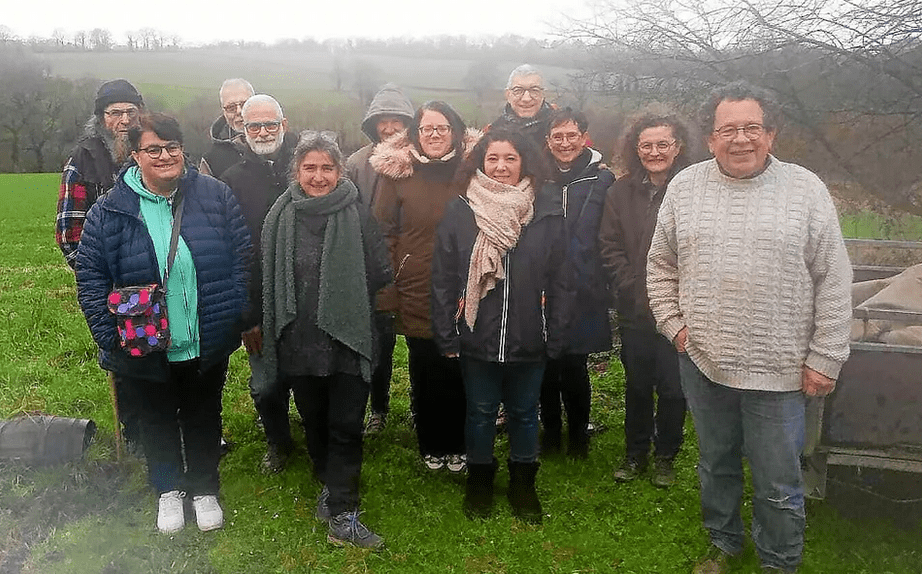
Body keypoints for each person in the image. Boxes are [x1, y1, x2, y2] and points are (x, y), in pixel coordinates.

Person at [646, 82, 852, 574]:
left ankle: (779, 562)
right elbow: (661, 265)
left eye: (751, 128)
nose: (741, 139)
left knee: (778, 480)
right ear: (711, 138)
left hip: (779, 371)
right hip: (704, 362)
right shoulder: (685, 186)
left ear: (771, 135)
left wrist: (826, 355)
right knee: (715, 463)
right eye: (728, 130)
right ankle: (724, 544)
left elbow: (834, 276)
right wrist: (674, 325)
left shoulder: (806, 189)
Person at [76, 113, 251, 534]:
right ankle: (168, 491)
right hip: (140, 342)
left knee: (204, 412)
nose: (165, 156)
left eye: (172, 146)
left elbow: (242, 257)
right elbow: (90, 274)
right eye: (153, 149)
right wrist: (108, 335)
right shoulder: (110, 209)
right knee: (155, 417)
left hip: (203, 334)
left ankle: (204, 487)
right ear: (135, 155)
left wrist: (235, 316)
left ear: (183, 150)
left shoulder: (214, 196)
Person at [259, 131, 391, 549]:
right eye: (310, 167)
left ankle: (344, 514)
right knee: (315, 423)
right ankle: (330, 485)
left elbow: (381, 270)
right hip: (298, 341)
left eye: (327, 168)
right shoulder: (279, 217)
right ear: (296, 171)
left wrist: (344, 298)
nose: (318, 176)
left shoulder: (358, 213)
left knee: (346, 425)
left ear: (340, 171)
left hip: (349, 338)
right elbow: (265, 275)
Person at [431, 129, 568, 523]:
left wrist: (555, 330)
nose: (501, 166)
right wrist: (446, 330)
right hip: (477, 334)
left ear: (524, 162)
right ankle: (480, 484)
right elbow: (443, 275)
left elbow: (561, 277)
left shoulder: (544, 209)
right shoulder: (461, 209)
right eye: (493, 158)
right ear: (480, 162)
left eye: (510, 158)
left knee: (526, 413)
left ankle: (524, 485)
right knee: (480, 412)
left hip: (530, 335)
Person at [369, 101, 473, 472]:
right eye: (426, 129)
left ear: (456, 133)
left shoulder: (472, 170)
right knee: (426, 365)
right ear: (415, 134)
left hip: (466, 284)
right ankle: (431, 441)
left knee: (461, 365)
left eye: (441, 128)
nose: (434, 135)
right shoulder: (397, 175)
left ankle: (459, 441)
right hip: (416, 284)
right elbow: (383, 232)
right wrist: (387, 288)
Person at [598, 112, 692, 488]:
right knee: (637, 385)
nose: (654, 152)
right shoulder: (619, 192)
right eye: (646, 145)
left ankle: (666, 455)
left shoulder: (691, 189)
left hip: (682, 309)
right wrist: (631, 288)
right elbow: (608, 245)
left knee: (673, 387)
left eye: (662, 144)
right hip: (636, 307)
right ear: (635, 149)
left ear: (678, 147)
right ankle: (635, 453)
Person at [56, 79, 145, 450]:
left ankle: (181, 428)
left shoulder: (155, 150)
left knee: (170, 355)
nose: (123, 120)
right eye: (115, 113)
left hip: (161, 277)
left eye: (130, 112)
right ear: (101, 119)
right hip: (113, 287)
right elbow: (68, 231)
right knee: (124, 359)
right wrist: (99, 281)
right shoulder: (84, 161)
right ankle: (137, 436)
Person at [219, 94, 299, 473]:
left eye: (270, 124)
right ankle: (278, 442)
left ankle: (320, 438)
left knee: (311, 375)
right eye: (254, 126)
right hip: (259, 300)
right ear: (243, 129)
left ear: (284, 124)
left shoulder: (307, 167)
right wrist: (246, 316)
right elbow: (232, 251)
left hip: (307, 295)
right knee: (267, 384)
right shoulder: (232, 180)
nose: (263, 132)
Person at [539, 108, 614, 459]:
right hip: (544, 283)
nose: (565, 143)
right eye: (558, 137)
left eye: (572, 135)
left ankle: (579, 435)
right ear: (548, 141)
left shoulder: (602, 178)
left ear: (584, 137)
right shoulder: (537, 176)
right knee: (544, 363)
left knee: (574, 363)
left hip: (584, 281)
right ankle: (551, 433)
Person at [345, 83, 414, 434]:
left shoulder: (422, 157)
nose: (389, 128)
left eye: (396, 120)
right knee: (379, 342)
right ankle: (379, 408)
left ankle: (421, 405)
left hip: (418, 261)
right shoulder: (357, 163)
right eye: (382, 121)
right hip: (373, 262)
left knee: (422, 341)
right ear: (372, 125)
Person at [489, 65, 554, 151]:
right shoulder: (493, 132)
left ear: (544, 94)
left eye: (534, 90)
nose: (526, 98)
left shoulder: (560, 129)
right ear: (508, 95)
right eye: (518, 90)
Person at [199, 78, 254, 178]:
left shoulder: (281, 142)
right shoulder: (211, 159)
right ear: (224, 112)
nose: (239, 111)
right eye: (231, 108)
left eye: (244, 104)